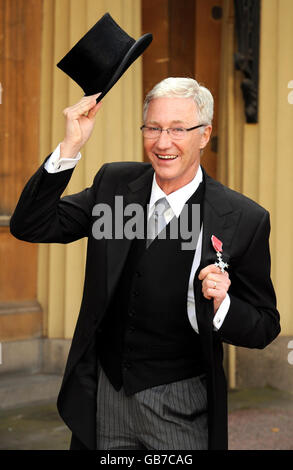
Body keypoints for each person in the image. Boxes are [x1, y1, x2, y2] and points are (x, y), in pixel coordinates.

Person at [10, 77, 280, 450]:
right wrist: (70, 146)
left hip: (181, 405)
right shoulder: (114, 186)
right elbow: (31, 224)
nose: (162, 142)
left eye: (177, 129)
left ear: (204, 134)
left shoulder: (243, 218)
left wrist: (224, 306)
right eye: (153, 128)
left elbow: (265, 325)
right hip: (106, 396)